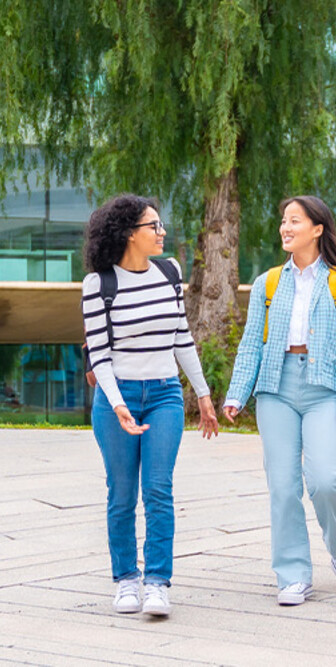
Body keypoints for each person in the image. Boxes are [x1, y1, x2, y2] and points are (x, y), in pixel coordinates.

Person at [222, 195, 336, 607]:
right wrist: (237, 393)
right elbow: (252, 343)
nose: (285, 228)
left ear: (317, 229)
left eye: (294, 221)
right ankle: (292, 574)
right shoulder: (269, 282)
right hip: (276, 387)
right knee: (283, 486)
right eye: (283, 221)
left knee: (326, 479)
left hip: (324, 389)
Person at [81, 194, 221, 617]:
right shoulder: (98, 284)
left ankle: (158, 582)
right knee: (122, 495)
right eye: (153, 227)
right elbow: (100, 353)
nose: (161, 233)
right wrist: (118, 402)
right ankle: (126, 579)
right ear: (128, 234)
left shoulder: (169, 272)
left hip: (164, 396)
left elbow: (181, 336)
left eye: (160, 225)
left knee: (158, 490)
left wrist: (203, 394)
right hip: (115, 396)